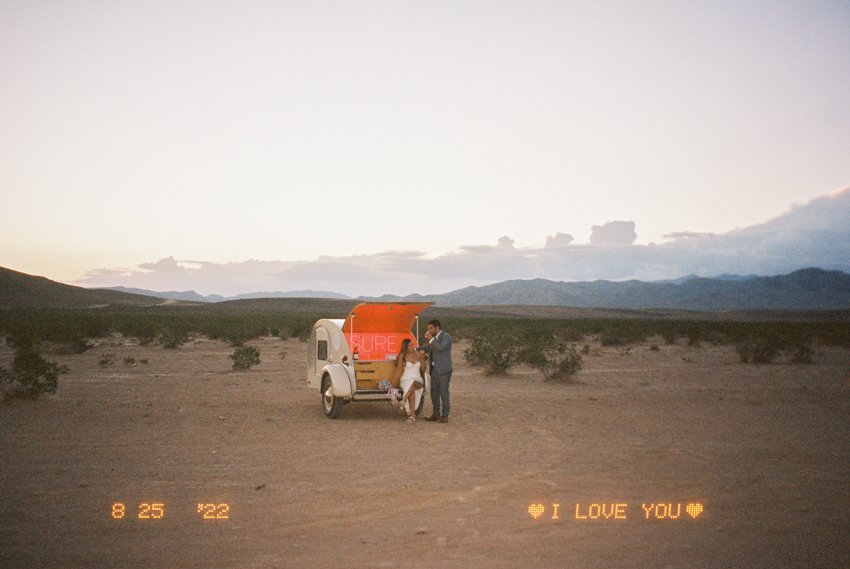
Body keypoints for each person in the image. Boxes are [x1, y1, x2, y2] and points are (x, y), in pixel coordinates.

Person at [421, 319, 452, 423]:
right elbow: (428, 347)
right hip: (434, 370)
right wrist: (415, 348)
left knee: (444, 393)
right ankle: (435, 414)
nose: (429, 330)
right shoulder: (433, 339)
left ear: (437, 328)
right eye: (428, 329)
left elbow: (440, 348)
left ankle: (445, 416)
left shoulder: (446, 337)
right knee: (434, 393)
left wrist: (431, 339)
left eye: (431, 328)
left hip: (443, 370)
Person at [394, 338, 426, 424]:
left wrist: (422, 359)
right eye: (411, 345)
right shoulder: (402, 355)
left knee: (413, 383)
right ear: (406, 347)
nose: (413, 347)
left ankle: (403, 401)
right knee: (411, 388)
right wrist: (395, 382)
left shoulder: (418, 354)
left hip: (417, 379)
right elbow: (398, 370)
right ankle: (412, 415)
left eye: (413, 345)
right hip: (406, 379)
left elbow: (423, 370)